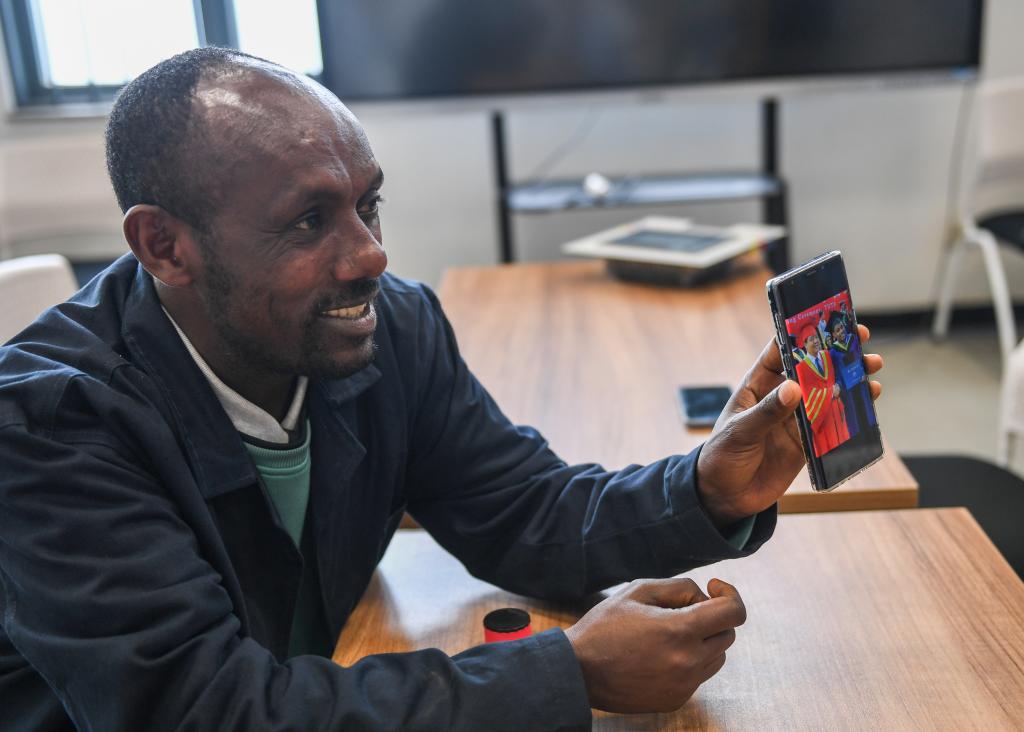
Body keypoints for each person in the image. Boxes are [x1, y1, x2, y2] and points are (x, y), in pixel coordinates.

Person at [0, 49, 882, 731]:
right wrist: (565, 674)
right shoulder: (49, 423)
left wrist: (706, 488)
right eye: (309, 221)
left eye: (368, 205)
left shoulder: (390, 328)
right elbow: (200, 711)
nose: (371, 254)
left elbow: (521, 511)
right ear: (164, 247)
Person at [793, 324, 850, 457]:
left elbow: (837, 376)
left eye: (816, 337)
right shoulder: (801, 368)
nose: (816, 341)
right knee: (831, 455)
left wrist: (838, 386)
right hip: (823, 420)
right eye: (811, 339)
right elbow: (809, 396)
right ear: (804, 344)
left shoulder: (827, 355)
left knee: (847, 451)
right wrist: (831, 392)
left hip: (837, 413)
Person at [828, 311, 877, 438]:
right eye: (837, 330)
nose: (841, 331)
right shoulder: (832, 353)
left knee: (867, 412)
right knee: (854, 417)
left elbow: (861, 360)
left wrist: (864, 371)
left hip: (861, 384)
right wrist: (838, 385)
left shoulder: (854, 340)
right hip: (848, 391)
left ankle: (871, 434)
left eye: (841, 327)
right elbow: (836, 374)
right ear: (833, 335)